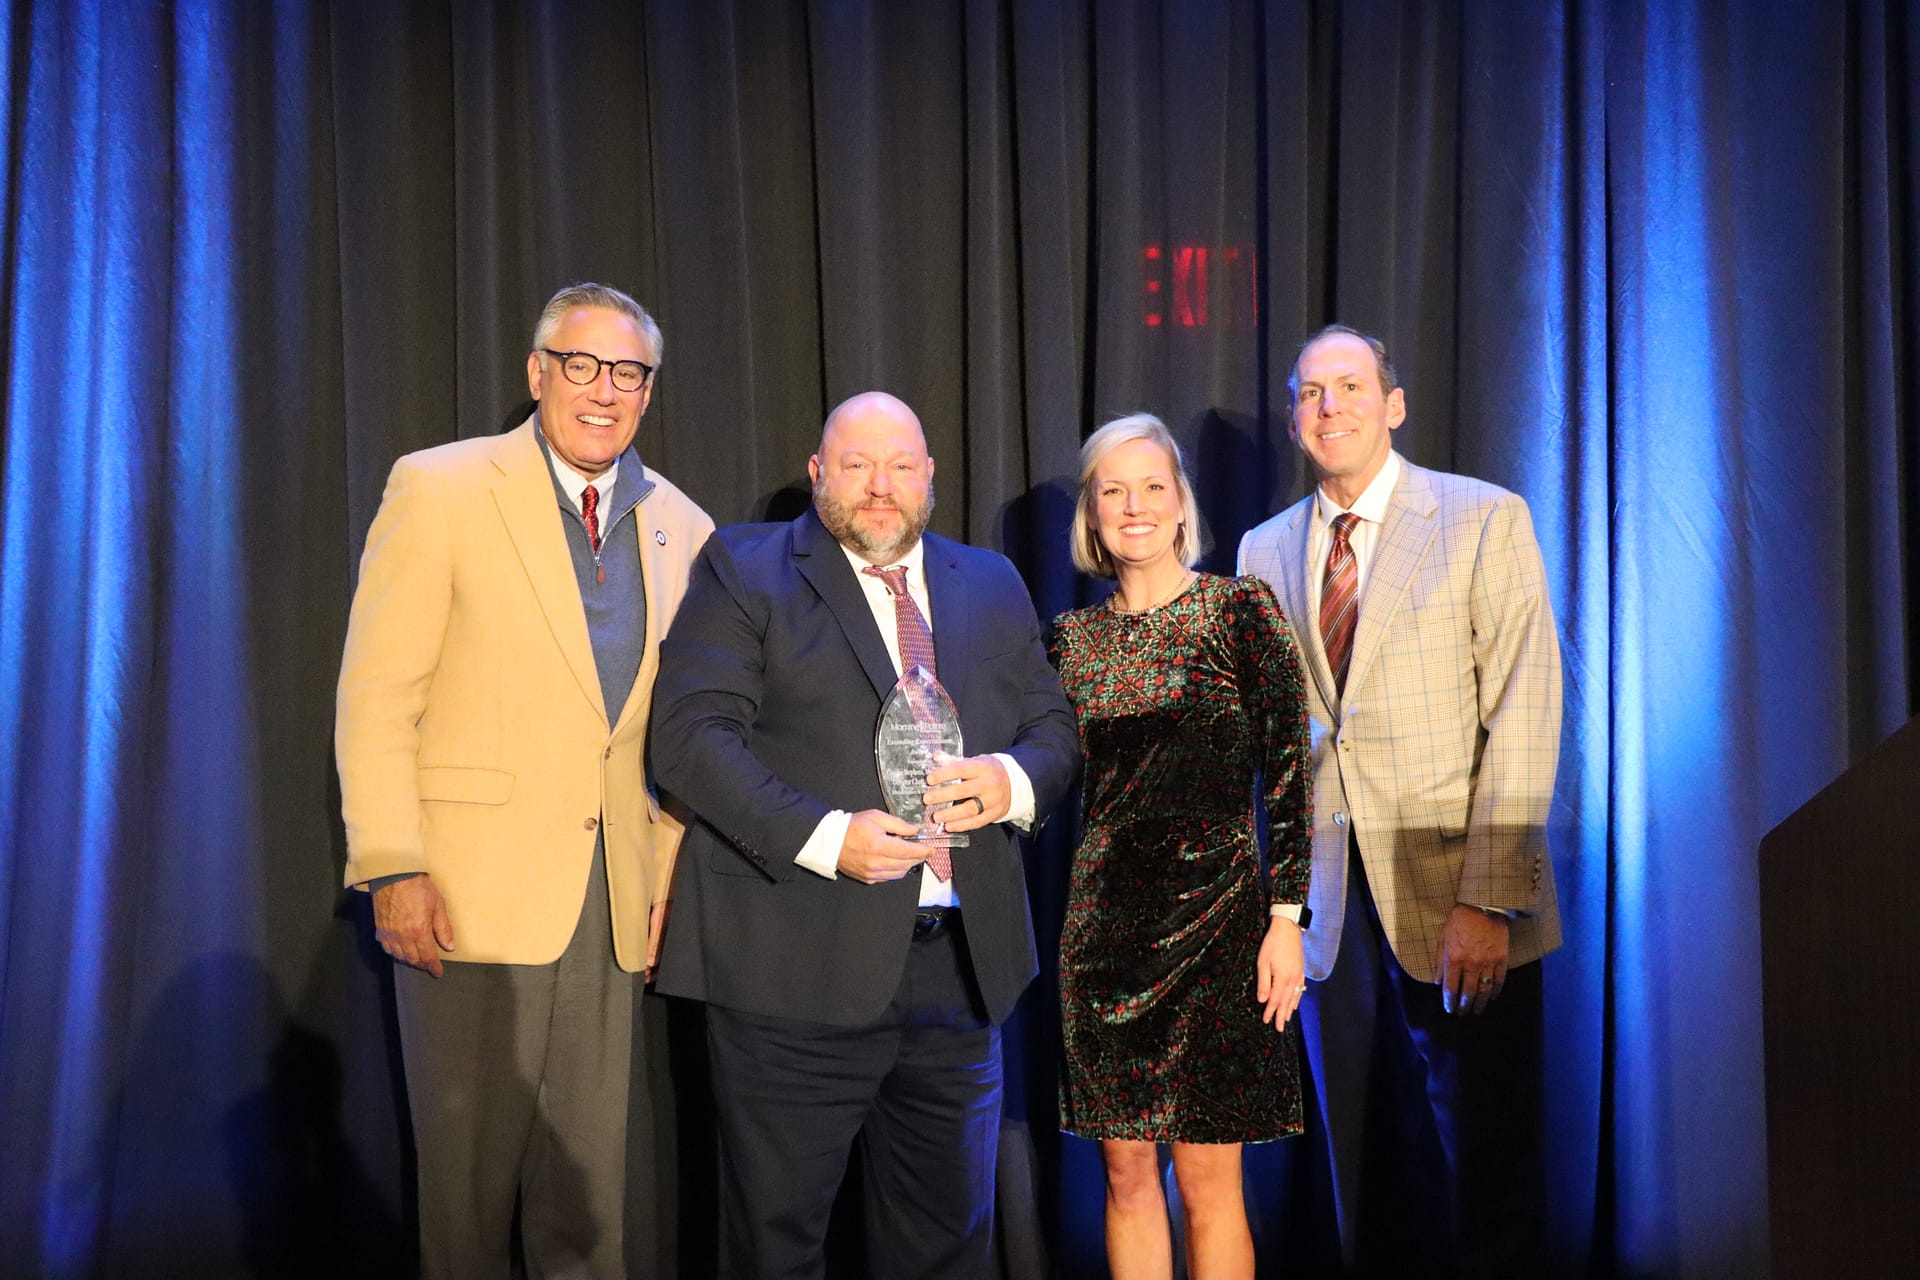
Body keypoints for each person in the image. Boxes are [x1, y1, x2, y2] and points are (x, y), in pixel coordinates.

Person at [649, 390, 1080, 1280]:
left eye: (900, 466)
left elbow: (1055, 734)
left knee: (947, 1249)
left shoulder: (990, 582)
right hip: (790, 977)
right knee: (776, 1249)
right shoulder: (747, 567)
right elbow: (690, 741)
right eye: (855, 464)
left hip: (959, 981)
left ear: (929, 476)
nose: (879, 486)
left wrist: (1011, 781)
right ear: (818, 474)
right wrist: (826, 836)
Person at [335, 283, 714, 1278]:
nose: (604, 390)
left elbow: (684, 727)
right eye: (580, 365)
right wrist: (391, 865)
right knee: (463, 1210)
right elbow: (377, 695)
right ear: (538, 374)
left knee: (591, 1213)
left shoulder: (683, 523)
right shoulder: (443, 486)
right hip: (462, 897)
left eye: (626, 372)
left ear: (648, 389)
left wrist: (667, 867)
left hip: (611, 907)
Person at [1238, 325, 1564, 1276]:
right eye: (1309, 392)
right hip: (1331, 920)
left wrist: (1487, 899)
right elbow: (1275, 748)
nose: (1328, 406)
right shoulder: (1265, 551)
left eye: (1349, 386)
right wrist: (1282, 912)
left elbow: (1527, 707)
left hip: (1458, 903)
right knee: (1368, 1183)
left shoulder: (1480, 518)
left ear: (1394, 404)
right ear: (1296, 419)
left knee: (1486, 1178)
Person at [1049, 414, 1312, 1280]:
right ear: (1092, 514)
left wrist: (1287, 919)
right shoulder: (1067, 641)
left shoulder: (1238, 610)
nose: (1133, 506)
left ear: (1180, 504)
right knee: (1126, 1174)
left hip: (1223, 926)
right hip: (1106, 938)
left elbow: (1287, 772)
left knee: (1209, 1176)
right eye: (1112, 490)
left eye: (1151, 487)